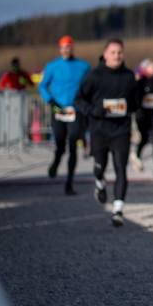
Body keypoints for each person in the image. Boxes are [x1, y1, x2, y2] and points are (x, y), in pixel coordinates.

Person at [74, 39, 139, 227]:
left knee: (120, 168)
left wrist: (137, 109)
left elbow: (134, 101)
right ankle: (100, 183)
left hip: (121, 130)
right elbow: (79, 99)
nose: (117, 56)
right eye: (113, 52)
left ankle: (118, 210)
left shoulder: (129, 76)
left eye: (120, 52)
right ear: (105, 55)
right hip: (99, 130)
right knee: (99, 167)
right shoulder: (94, 76)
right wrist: (93, 110)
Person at [39, 36, 91, 195]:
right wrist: (50, 101)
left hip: (76, 111)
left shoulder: (84, 66)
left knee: (73, 144)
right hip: (58, 110)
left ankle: (69, 183)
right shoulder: (52, 66)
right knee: (60, 145)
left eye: (68, 47)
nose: (65, 50)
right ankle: (56, 162)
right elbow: (42, 86)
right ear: (60, 49)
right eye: (63, 47)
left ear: (72, 48)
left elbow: (91, 85)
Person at [131, 59, 153, 175]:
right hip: (142, 114)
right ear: (145, 68)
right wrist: (137, 110)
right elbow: (134, 96)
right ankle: (137, 154)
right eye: (151, 66)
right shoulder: (141, 81)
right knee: (144, 137)